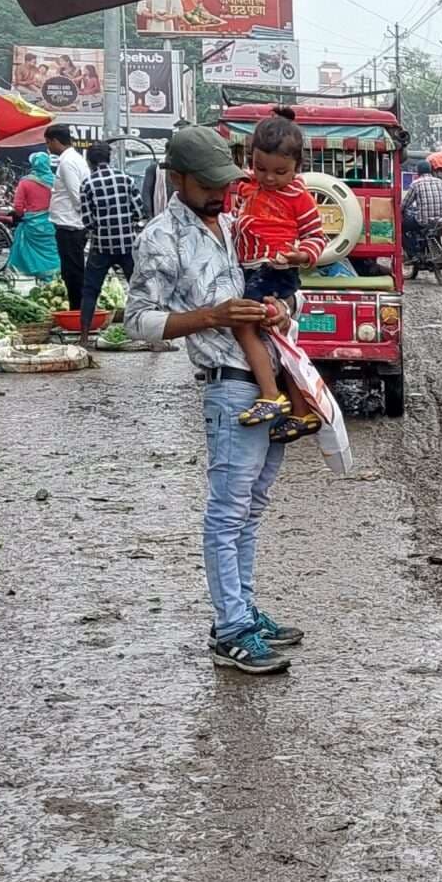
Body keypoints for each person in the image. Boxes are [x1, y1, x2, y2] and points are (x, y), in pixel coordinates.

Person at [125, 123, 303, 676]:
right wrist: (213, 317)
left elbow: (276, 292)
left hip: (267, 373)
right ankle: (230, 630)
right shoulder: (161, 237)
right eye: (206, 183)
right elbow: (137, 321)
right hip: (227, 384)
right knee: (227, 512)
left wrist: (278, 311)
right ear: (177, 178)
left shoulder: (231, 222)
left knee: (252, 506)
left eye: (224, 181)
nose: (220, 192)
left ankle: (243, 609)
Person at [223, 107, 327, 440]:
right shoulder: (246, 187)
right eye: (260, 167)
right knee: (280, 342)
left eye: (280, 171)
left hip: (275, 270)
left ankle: (270, 395)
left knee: (243, 325)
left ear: (298, 167)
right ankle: (302, 413)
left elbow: (317, 237)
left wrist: (302, 254)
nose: (269, 178)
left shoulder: (300, 197)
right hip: (253, 269)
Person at [77, 141, 141, 337]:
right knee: (139, 289)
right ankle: (152, 338)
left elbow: (87, 221)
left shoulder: (87, 184)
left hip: (101, 246)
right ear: (109, 158)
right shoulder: (126, 179)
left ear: (89, 162)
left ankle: (85, 335)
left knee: (90, 290)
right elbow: (139, 211)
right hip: (127, 245)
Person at [44, 124, 90, 307]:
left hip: (71, 225)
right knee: (72, 270)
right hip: (72, 224)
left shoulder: (67, 162)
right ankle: (78, 309)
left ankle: (78, 310)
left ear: (56, 141)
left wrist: (82, 216)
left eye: (48, 143)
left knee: (73, 272)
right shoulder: (74, 159)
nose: (48, 147)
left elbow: (76, 196)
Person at [7, 154, 60, 278]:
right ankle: (53, 279)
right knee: (51, 252)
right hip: (51, 223)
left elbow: (18, 207)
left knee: (30, 254)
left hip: (31, 225)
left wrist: (23, 215)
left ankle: (37, 275)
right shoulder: (56, 180)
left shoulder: (25, 182)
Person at [402, 158, 442, 263]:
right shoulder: (441, 182)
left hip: (423, 221)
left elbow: (405, 203)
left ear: (418, 172)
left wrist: (401, 210)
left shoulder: (416, 184)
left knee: (401, 228)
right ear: (430, 170)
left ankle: (414, 254)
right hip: (440, 220)